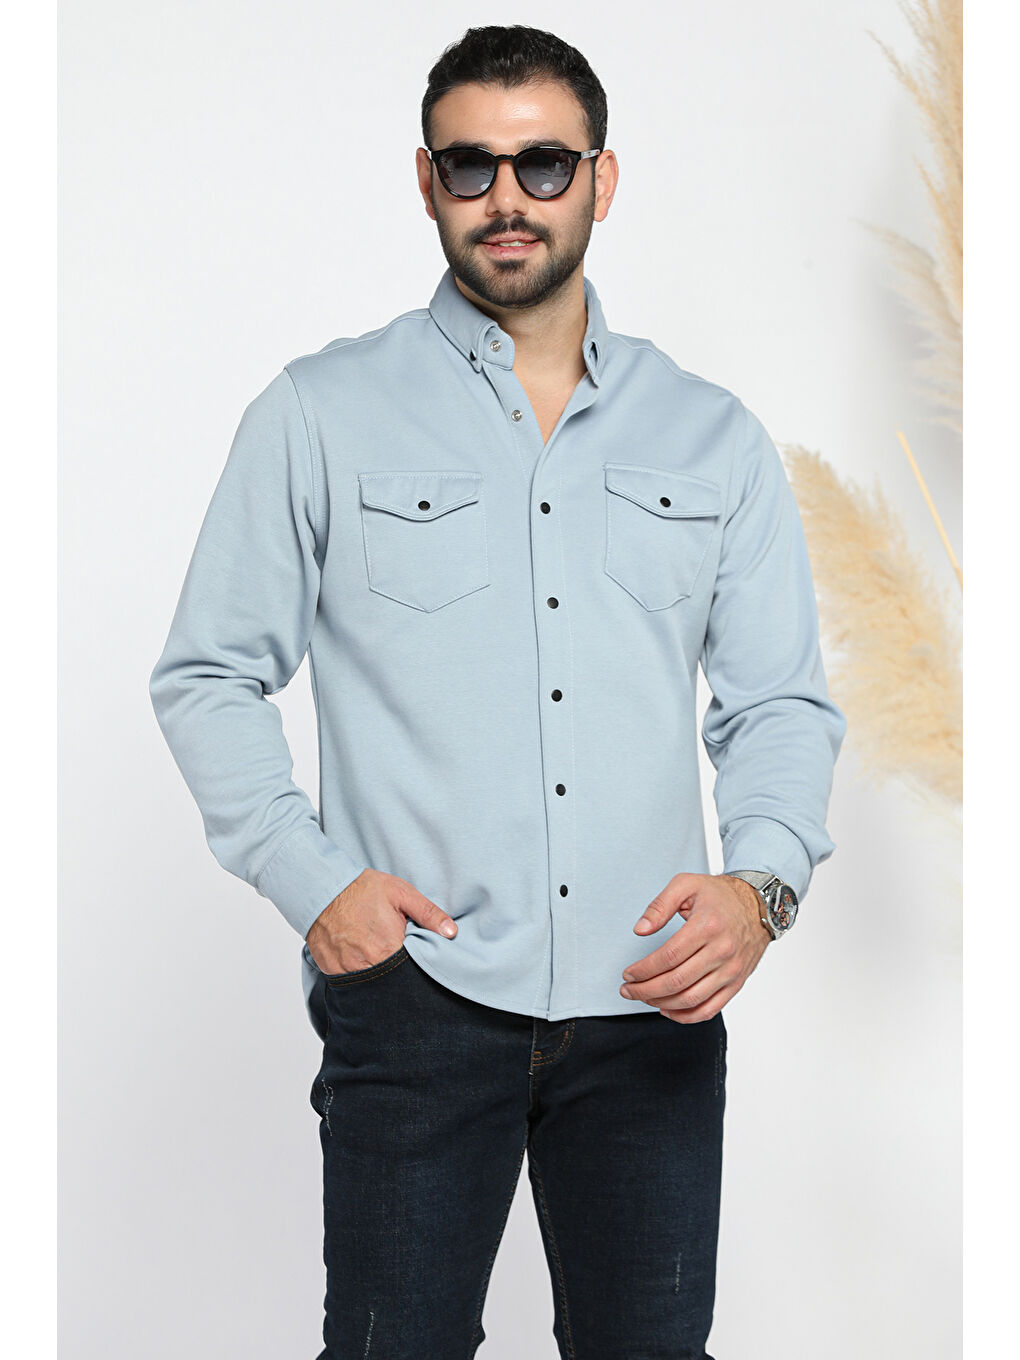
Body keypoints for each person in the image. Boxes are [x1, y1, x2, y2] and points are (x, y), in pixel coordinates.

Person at [148, 23, 846, 1360]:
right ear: (427, 182)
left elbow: (778, 706)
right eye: (471, 166)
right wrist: (312, 880)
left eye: (544, 164)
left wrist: (761, 887)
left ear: (602, 178)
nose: (507, 198)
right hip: (417, 999)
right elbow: (209, 672)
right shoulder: (319, 412)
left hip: (651, 1002)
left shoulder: (714, 436)